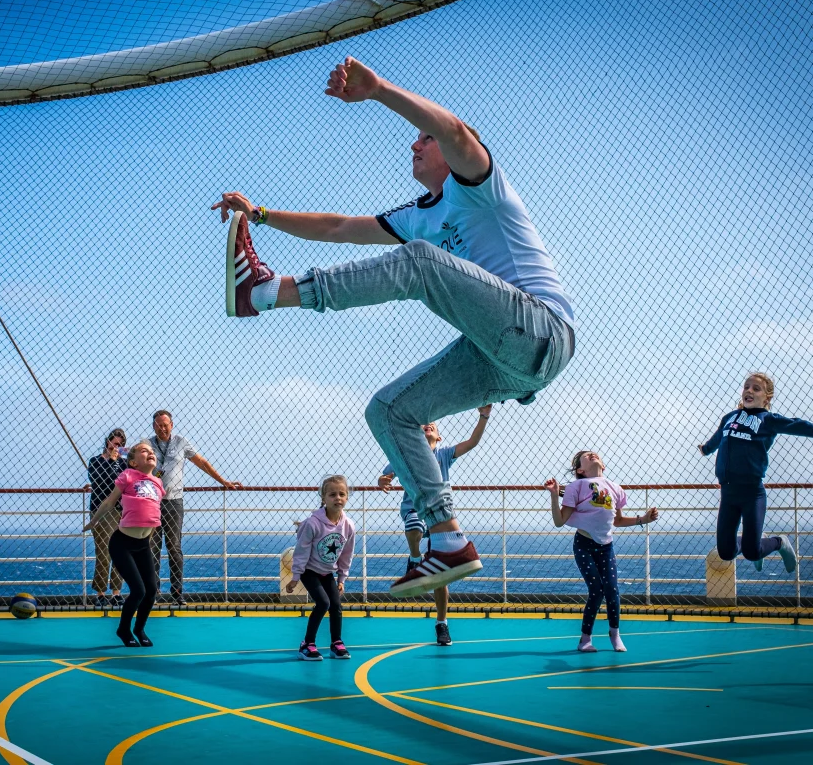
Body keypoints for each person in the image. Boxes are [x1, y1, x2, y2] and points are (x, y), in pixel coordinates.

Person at [213, 56, 575, 597]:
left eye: (423, 139)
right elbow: (338, 227)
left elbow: (454, 130)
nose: (414, 144)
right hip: (506, 363)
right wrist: (261, 215)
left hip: (542, 328)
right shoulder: (416, 217)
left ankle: (266, 292)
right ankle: (447, 538)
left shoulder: (479, 185)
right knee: (388, 410)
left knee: (421, 260)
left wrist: (379, 89)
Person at [700, 372, 813, 572]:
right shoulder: (729, 418)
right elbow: (717, 439)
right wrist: (706, 449)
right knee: (726, 552)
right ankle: (755, 540)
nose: (749, 391)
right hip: (728, 493)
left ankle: (780, 542)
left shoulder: (769, 420)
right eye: (746, 387)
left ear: (767, 398)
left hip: (752, 494)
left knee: (752, 552)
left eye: (756, 389)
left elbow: (807, 428)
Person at [377, 406, 491, 645]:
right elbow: (386, 475)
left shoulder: (445, 455)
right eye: (423, 423)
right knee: (414, 527)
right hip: (414, 508)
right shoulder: (406, 454)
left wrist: (484, 416)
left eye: (433, 424)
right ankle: (415, 558)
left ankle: (442, 623)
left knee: (441, 578)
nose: (427, 424)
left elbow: (472, 442)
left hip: (439, 514)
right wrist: (383, 480)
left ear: (439, 437)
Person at [545, 451, 658, 653]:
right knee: (596, 590)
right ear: (580, 470)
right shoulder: (576, 486)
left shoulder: (616, 488)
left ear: (603, 466)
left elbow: (618, 520)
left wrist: (643, 519)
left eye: (594, 454)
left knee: (612, 590)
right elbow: (559, 521)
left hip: (606, 547)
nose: (592, 455)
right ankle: (585, 639)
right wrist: (554, 495)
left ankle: (615, 634)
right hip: (584, 545)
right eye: (586, 456)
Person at [148, 410, 240, 605]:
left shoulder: (181, 442)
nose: (162, 428)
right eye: (158, 425)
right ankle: (152, 593)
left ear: (172, 425)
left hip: (174, 501)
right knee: (152, 548)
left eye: (165, 425)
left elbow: (201, 462)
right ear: (153, 426)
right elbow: (133, 466)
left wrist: (223, 481)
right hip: (152, 502)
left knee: (174, 547)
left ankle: (177, 593)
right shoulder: (147, 445)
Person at [84, 440, 164, 647]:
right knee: (138, 591)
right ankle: (123, 629)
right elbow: (110, 501)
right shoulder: (128, 476)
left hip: (143, 544)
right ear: (133, 462)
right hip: (122, 544)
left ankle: (139, 628)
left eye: (152, 451)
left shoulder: (158, 482)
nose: (150, 453)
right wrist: (94, 521)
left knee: (151, 591)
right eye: (144, 451)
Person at [287, 475, 356, 661]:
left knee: (336, 605)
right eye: (332, 494)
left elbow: (346, 554)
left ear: (347, 497)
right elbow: (301, 551)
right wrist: (296, 576)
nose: (337, 498)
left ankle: (336, 643)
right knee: (323, 603)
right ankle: (307, 644)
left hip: (327, 573)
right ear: (323, 498)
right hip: (309, 571)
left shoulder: (348, 525)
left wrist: (342, 578)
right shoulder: (313, 523)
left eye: (342, 494)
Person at [87, 428, 128, 607]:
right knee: (103, 552)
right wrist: (110, 461)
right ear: (107, 442)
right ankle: (100, 592)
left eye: (120, 444)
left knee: (121, 552)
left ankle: (116, 592)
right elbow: (98, 479)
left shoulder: (124, 463)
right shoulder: (96, 461)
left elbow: (124, 482)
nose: (116, 447)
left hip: (120, 509)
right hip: (101, 510)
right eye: (114, 443)